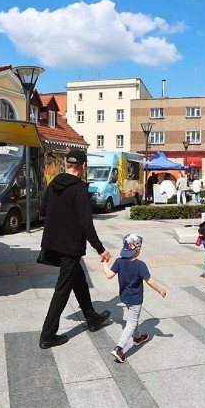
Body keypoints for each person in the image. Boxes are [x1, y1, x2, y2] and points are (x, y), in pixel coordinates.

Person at [39, 148, 112, 349]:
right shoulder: (79, 189)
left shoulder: (54, 183)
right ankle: (48, 335)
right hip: (70, 246)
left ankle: (92, 318)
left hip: (53, 243)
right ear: (83, 166)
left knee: (78, 279)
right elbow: (86, 224)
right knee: (62, 290)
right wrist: (100, 249)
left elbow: (43, 210)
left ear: (67, 164)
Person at [101, 234, 167, 363]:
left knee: (133, 318)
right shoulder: (140, 265)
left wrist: (104, 263)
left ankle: (137, 337)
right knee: (131, 322)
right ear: (137, 250)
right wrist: (160, 289)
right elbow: (149, 280)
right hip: (135, 299)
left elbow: (109, 275)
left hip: (124, 297)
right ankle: (119, 348)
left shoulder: (119, 261)